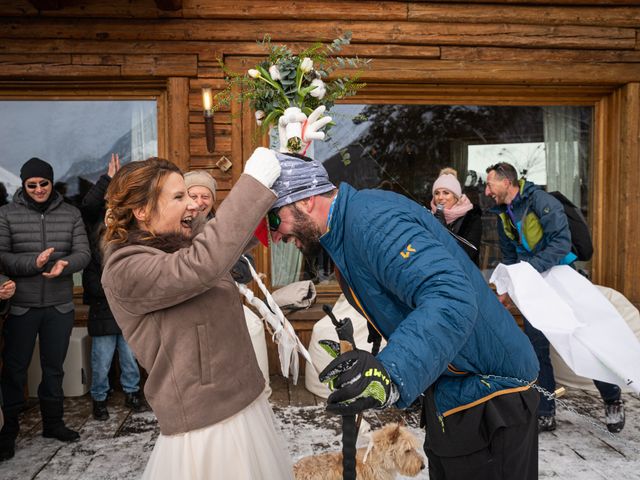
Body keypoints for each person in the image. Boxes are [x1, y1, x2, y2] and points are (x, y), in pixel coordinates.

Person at [268, 152, 540, 480]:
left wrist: (391, 373)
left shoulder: (372, 220)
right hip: (454, 385)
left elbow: (449, 296)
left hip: (490, 394)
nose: (275, 236)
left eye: (274, 219)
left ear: (307, 200)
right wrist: (359, 357)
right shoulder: (346, 232)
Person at [100, 148, 294, 479]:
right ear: (143, 211)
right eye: (179, 197)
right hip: (205, 422)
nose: (193, 204)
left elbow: (234, 235)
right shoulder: (126, 269)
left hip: (243, 398)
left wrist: (289, 155)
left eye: (191, 195)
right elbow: (204, 264)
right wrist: (253, 181)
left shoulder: (181, 242)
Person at [484, 161, 625, 433]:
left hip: (560, 280)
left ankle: (612, 399)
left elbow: (561, 243)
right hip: (532, 287)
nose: (488, 191)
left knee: (582, 343)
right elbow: (511, 257)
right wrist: (508, 288)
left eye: (490, 184)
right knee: (537, 349)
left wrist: (530, 269)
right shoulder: (504, 214)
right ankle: (545, 410)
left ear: (506, 181)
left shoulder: (542, 201)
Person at [0, 157, 90, 461]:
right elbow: (2, 257)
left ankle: (53, 423)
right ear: (24, 186)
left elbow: (83, 253)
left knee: (54, 368)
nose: (39, 189)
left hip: (60, 305)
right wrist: (33, 264)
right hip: (22, 306)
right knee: (14, 370)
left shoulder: (71, 213)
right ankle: (7, 431)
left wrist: (65, 265)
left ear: (52, 183)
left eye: (44, 183)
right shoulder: (6, 215)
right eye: (32, 184)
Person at [80, 154, 145, 421]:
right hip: (103, 312)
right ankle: (99, 397)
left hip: (128, 311)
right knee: (101, 359)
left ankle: (132, 393)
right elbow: (88, 205)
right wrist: (108, 179)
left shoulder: (131, 238)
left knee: (130, 357)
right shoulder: (95, 243)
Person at [184, 169, 254, 284]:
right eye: (193, 196)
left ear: (213, 201)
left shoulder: (222, 227)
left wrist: (218, 257)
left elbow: (247, 270)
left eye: (205, 197)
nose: (199, 202)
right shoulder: (174, 228)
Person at [430, 167, 482, 265]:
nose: (440, 197)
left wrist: (444, 230)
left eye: (446, 193)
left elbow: (469, 253)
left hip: (463, 275)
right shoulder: (430, 216)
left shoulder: (471, 218)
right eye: (437, 193)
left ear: (456, 197)